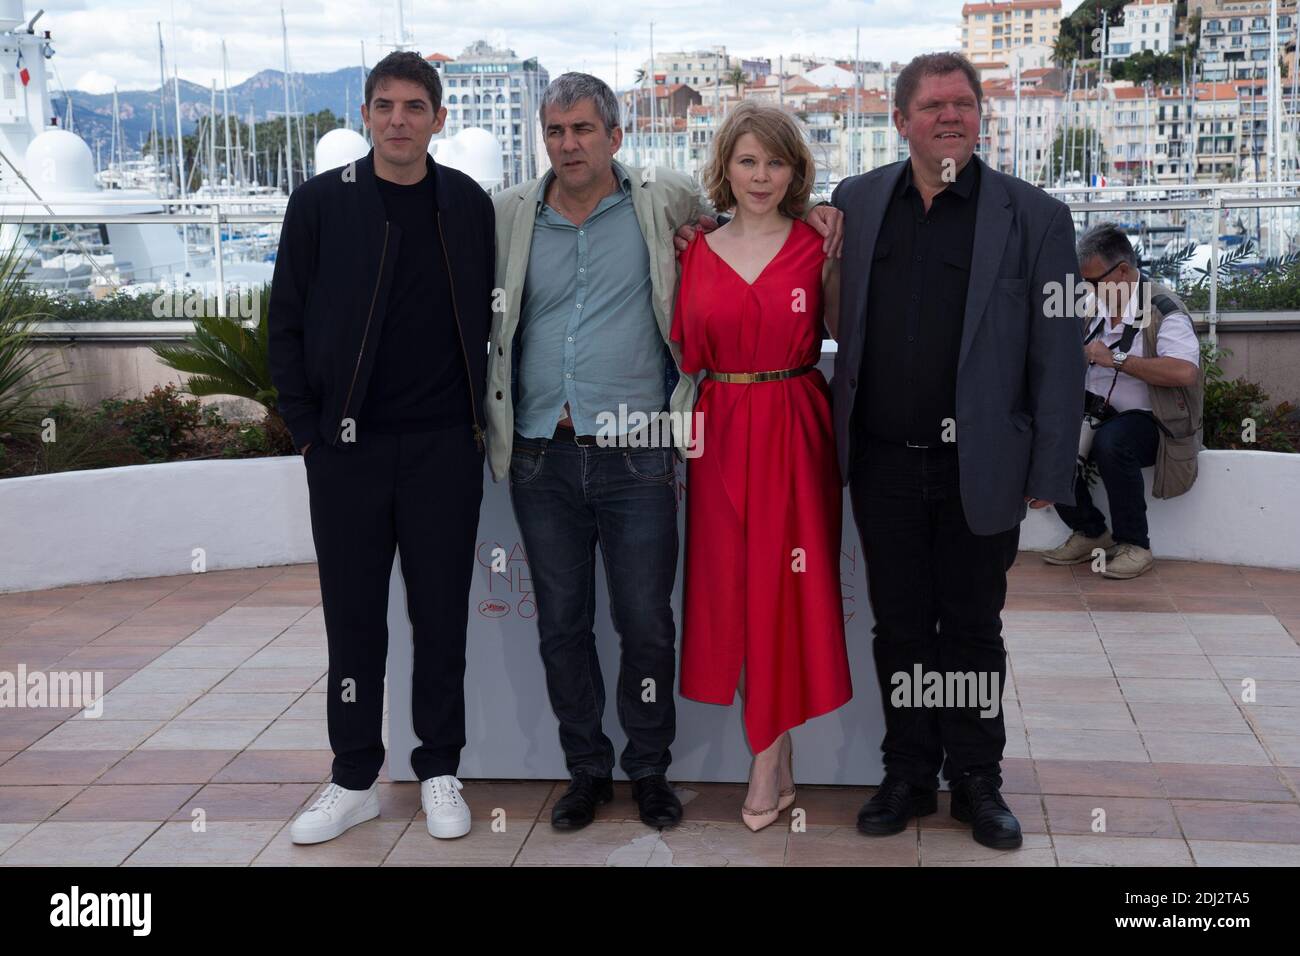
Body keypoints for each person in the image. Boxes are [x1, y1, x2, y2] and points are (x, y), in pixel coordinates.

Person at [487, 74, 843, 832]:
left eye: (584, 128)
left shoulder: (661, 203)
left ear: (615, 136)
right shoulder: (510, 214)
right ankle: (587, 770)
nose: (568, 143)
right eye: (555, 130)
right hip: (540, 451)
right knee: (560, 622)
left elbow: (749, 217)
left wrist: (820, 210)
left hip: (642, 451)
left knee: (647, 621)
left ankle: (650, 770)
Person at [831, 52, 1083, 850]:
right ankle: (907, 770)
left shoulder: (1036, 216)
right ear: (900, 118)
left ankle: (977, 779)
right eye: (933, 105)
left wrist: (1049, 468)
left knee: (973, 628)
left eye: (964, 105)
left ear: (981, 117)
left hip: (984, 467)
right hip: (883, 461)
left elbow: (1060, 352)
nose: (951, 117)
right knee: (900, 627)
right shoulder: (856, 202)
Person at [268, 51, 494, 844]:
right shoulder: (322, 204)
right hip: (348, 452)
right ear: (366, 115)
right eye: (384, 106)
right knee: (354, 623)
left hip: (443, 448)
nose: (398, 120)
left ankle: (439, 769)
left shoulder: (467, 204)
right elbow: (285, 323)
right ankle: (353, 776)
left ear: (436, 118)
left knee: (440, 620)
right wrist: (309, 434)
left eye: (414, 106)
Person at [670, 102, 852, 832]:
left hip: (795, 423)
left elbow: (848, 327)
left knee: (787, 592)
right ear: (726, 166)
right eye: (748, 161)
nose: (761, 176)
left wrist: (834, 219)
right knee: (732, 594)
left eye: (775, 162)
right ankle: (771, 750)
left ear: (795, 171)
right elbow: (684, 350)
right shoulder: (693, 248)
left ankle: (767, 757)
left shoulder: (818, 245)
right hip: (717, 431)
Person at [1042, 223, 1203, 579]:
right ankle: (1090, 532)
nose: (1089, 289)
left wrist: (1114, 360)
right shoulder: (1092, 305)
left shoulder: (1163, 308)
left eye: (1095, 281)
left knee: (1113, 442)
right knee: (1045, 431)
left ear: (1125, 271)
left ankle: (1135, 545)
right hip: (1096, 409)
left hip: (1152, 419)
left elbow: (1183, 372)